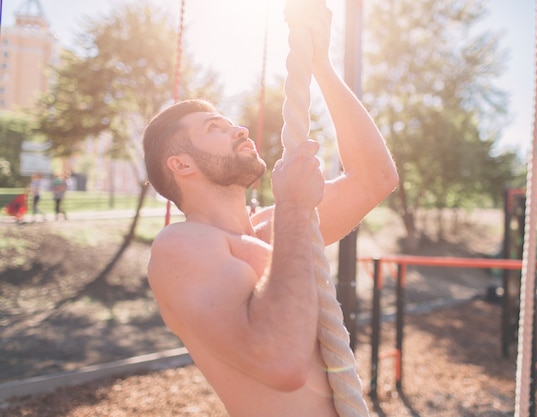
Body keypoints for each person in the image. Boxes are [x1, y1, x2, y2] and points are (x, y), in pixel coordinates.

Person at [142, 6, 398, 417]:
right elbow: (280, 363)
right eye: (215, 129)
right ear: (181, 165)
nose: (238, 129)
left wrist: (322, 68)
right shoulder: (181, 246)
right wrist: (296, 205)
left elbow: (375, 179)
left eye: (229, 123)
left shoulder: (273, 228)